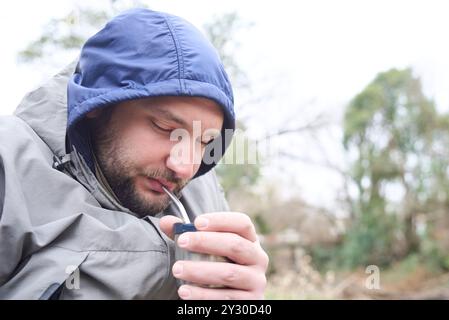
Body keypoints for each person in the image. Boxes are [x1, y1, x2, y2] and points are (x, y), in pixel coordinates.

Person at [0, 8, 268, 299]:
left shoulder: (202, 196)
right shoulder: (10, 165)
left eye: (204, 142)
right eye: (164, 127)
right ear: (97, 105)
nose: (185, 167)